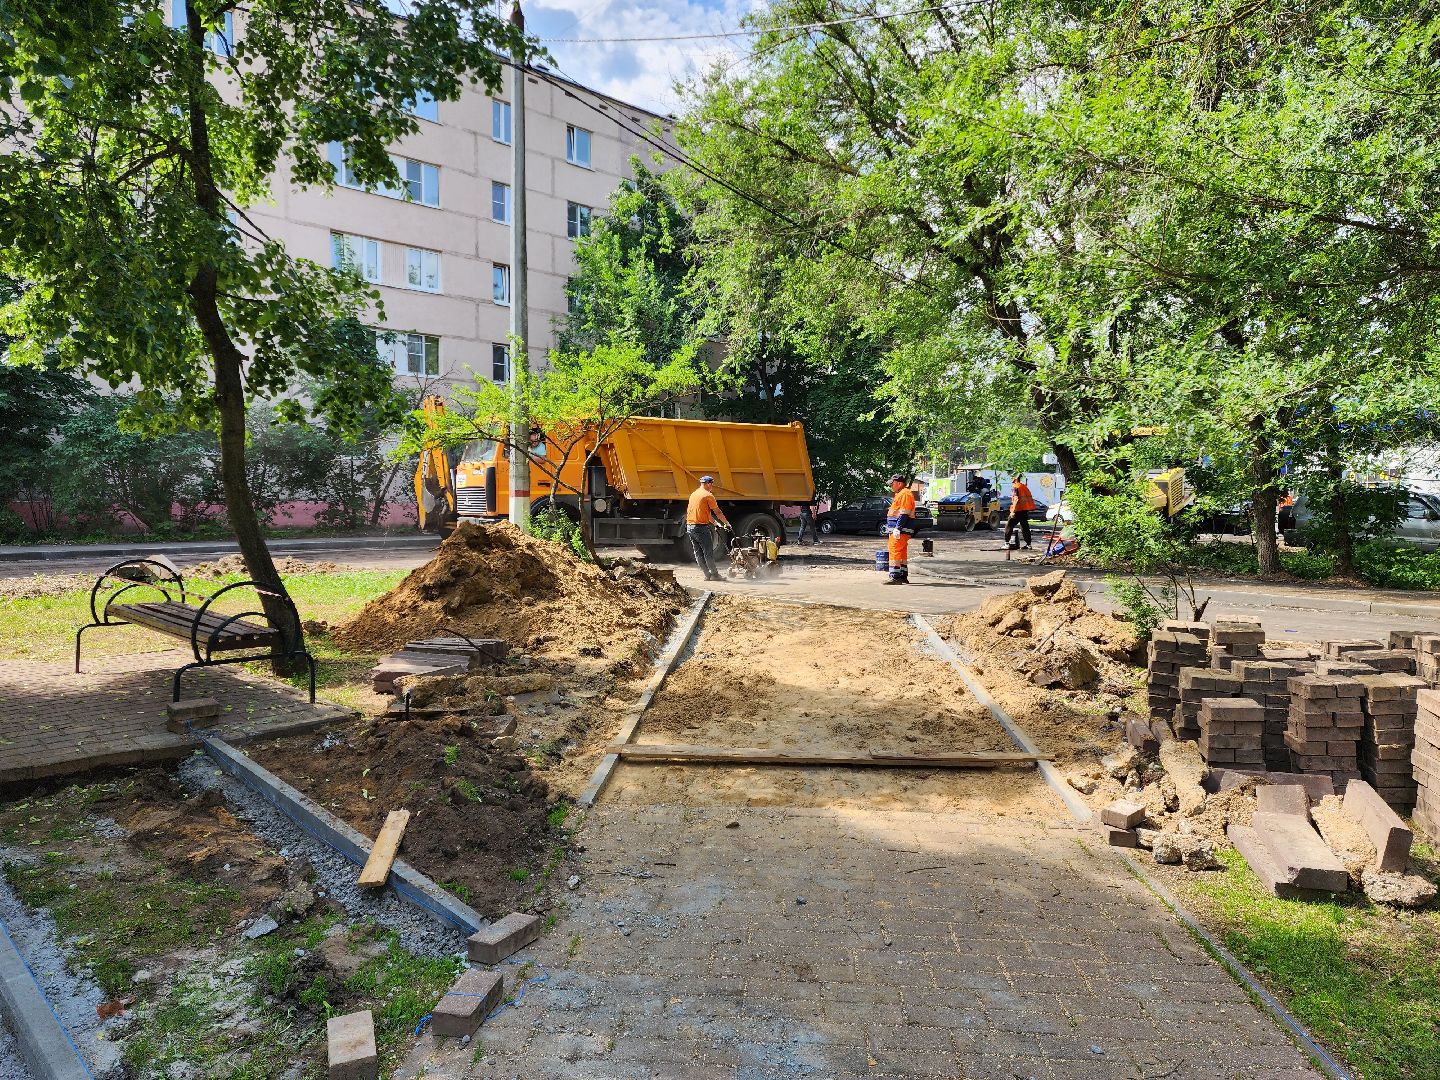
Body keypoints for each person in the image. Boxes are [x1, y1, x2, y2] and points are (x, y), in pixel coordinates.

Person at [686, 475, 731, 581]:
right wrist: (726, 523)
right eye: (711, 484)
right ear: (708, 484)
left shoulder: (694, 494)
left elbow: (705, 513)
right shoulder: (708, 495)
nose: (712, 487)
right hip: (700, 528)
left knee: (698, 552)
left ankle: (707, 574)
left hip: (690, 527)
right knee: (708, 552)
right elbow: (718, 512)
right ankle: (715, 575)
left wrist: (715, 523)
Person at [884, 474, 916, 584]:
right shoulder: (902, 494)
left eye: (892, 484)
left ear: (899, 483)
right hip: (901, 529)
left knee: (895, 551)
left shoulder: (905, 494)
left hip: (900, 529)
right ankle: (902, 575)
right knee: (901, 552)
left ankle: (895, 577)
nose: (891, 486)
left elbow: (904, 513)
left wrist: (898, 528)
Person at [1006, 474, 1034, 549]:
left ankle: (1006, 543)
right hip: (1024, 510)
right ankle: (1028, 544)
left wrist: (1013, 511)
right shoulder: (1024, 486)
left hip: (1017, 510)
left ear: (1015, 478)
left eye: (1012, 477)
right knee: (1025, 527)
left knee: (1009, 525)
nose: (1011, 478)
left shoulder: (1016, 487)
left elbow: (1016, 499)